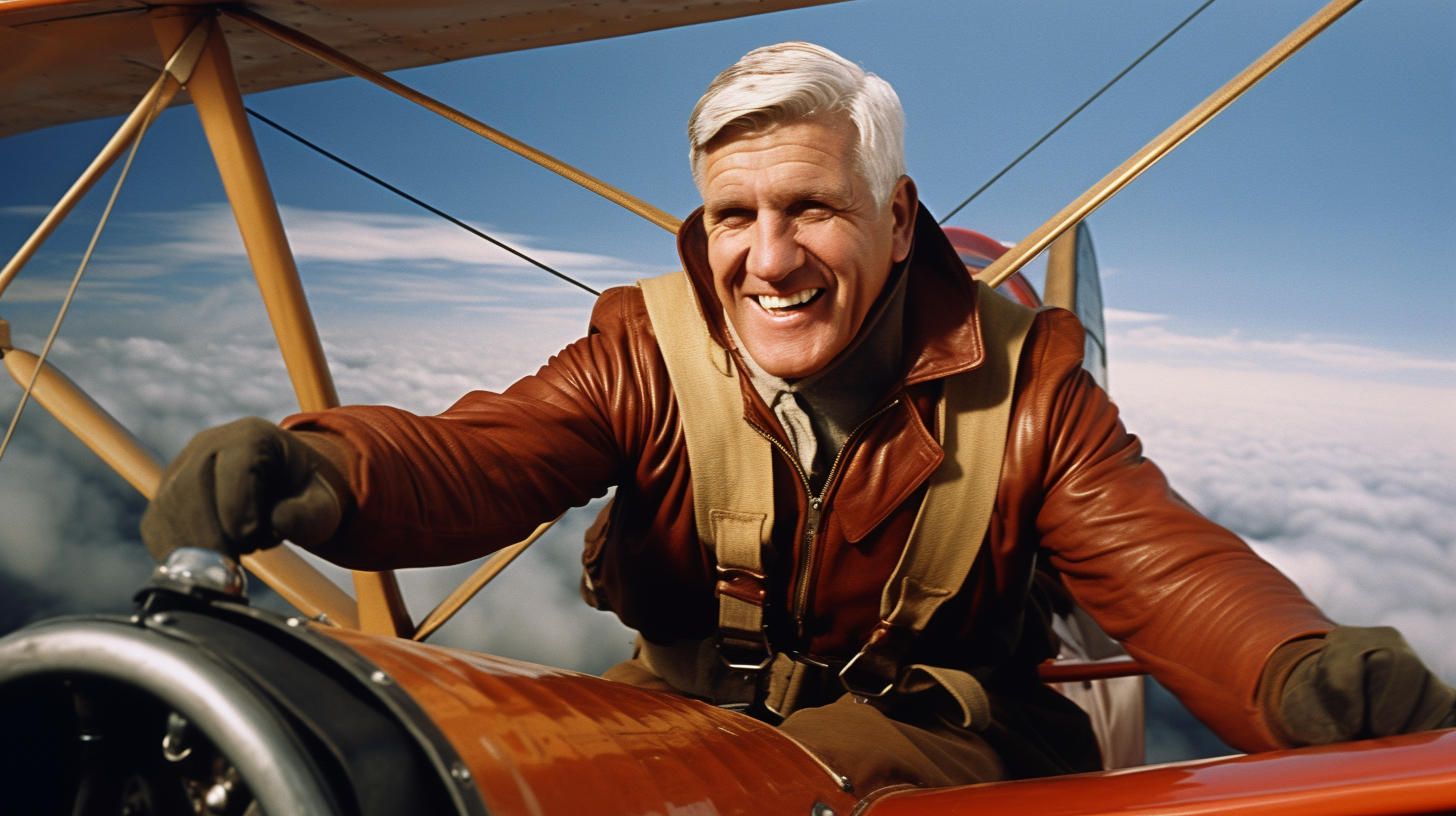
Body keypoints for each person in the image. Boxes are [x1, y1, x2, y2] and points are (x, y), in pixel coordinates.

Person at [141, 43, 1454, 797]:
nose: (768, 259)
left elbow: (1168, 572)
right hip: (677, 711)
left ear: (897, 221)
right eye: (733, 217)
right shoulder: (641, 350)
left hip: (938, 734)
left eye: (811, 209)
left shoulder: (1035, 382)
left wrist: (1298, 670)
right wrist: (321, 466)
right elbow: (491, 452)